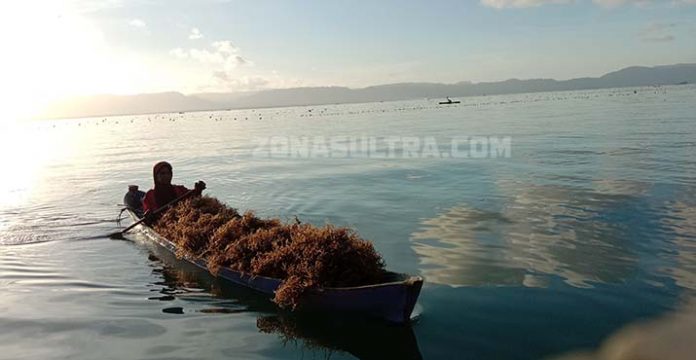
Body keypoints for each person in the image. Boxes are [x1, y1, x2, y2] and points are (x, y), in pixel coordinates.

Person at [142, 161, 206, 220]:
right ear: (156, 176)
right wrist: (148, 215)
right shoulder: (150, 195)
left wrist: (198, 190)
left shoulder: (179, 189)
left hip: (181, 219)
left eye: (168, 173)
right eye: (162, 173)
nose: (166, 176)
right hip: (162, 222)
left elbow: (193, 198)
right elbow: (147, 210)